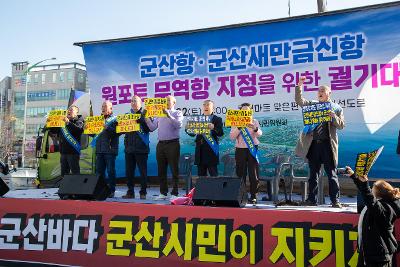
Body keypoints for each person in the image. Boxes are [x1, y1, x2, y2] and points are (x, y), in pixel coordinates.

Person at [295, 76, 345, 208]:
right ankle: (311, 199)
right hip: (313, 145)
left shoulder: (336, 108)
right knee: (313, 174)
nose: (320, 92)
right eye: (319, 91)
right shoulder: (313, 105)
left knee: (331, 174)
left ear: (329, 93)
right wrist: (299, 85)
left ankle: (335, 201)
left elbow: (341, 126)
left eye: (323, 90)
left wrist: (333, 117)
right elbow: (299, 101)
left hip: (328, 145)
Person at [345, 166, 400, 267]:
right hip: (369, 253)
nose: (371, 191)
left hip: (379, 257)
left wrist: (365, 184)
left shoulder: (385, 209)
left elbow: (369, 199)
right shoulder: (385, 204)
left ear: (379, 194)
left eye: (373, 190)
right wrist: (354, 176)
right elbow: (367, 195)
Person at [146, 95, 183, 200]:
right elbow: (152, 127)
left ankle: (175, 193)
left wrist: (168, 115)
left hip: (173, 143)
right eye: (165, 100)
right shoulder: (159, 113)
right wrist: (147, 119)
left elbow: (179, 125)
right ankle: (163, 193)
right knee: (161, 170)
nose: (166, 102)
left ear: (174, 103)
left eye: (168, 100)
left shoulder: (177, 113)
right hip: (161, 144)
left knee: (174, 169)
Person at [229, 103, 262, 204]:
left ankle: (254, 195)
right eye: (243, 110)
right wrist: (239, 128)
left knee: (253, 173)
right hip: (240, 149)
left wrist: (255, 128)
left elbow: (260, 134)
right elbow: (232, 136)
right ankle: (242, 195)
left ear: (250, 111)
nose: (245, 112)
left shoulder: (254, 121)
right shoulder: (236, 121)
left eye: (247, 110)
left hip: (252, 148)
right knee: (240, 173)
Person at [122, 95, 151, 200]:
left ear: (140, 103)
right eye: (132, 101)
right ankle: (130, 192)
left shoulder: (146, 114)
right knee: (129, 172)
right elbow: (122, 130)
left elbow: (149, 129)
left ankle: (143, 192)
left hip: (141, 148)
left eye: (136, 101)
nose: (133, 103)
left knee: (143, 172)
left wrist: (141, 120)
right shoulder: (127, 115)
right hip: (129, 149)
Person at [185, 100, 223, 176]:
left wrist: (214, 127)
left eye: (208, 105)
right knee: (201, 176)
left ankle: (215, 188)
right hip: (200, 151)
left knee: (213, 175)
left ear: (213, 108)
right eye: (204, 105)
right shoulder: (197, 119)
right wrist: (187, 129)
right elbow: (192, 134)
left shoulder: (217, 119)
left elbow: (220, 133)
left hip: (211, 150)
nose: (206, 106)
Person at [92, 101, 119, 198]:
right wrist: (88, 129)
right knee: (99, 172)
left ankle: (111, 190)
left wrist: (107, 128)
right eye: (102, 106)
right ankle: (101, 190)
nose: (103, 108)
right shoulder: (97, 120)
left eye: (105, 106)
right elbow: (93, 134)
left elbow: (117, 132)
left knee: (111, 171)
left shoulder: (115, 119)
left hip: (110, 150)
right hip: (99, 150)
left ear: (111, 108)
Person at [47, 105, 84, 177]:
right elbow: (54, 131)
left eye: (71, 110)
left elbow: (78, 131)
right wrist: (50, 124)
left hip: (73, 151)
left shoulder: (79, 120)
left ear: (76, 112)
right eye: (68, 110)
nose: (69, 111)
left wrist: (68, 123)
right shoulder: (62, 121)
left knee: (75, 173)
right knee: (64, 174)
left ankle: (77, 187)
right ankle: (64, 187)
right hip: (63, 152)